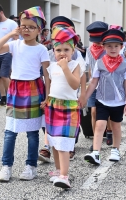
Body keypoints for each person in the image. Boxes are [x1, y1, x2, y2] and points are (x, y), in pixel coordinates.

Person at [0, 6, 50, 182]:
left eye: (31, 27)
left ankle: (31, 166)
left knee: (32, 132)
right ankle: (6, 166)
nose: (27, 30)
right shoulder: (14, 45)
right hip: (15, 90)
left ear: (39, 30)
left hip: (34, 89)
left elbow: (47, 75)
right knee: (10, 131)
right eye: (23, 26)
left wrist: (47, 97)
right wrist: (10, 34)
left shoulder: (41, 49)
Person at [38, 16, 86, 162]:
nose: (62, 52)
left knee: (68, 124)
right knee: (50, 122)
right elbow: (48, 78)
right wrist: (46, 97)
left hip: (70, 96)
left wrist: (83, 93)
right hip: (54, 96)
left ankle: (68, 148)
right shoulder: (51, 52)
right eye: (55, 28)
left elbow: (82, 75)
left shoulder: (74, 54)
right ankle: (48, 146)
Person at [84, 29, 126, 165]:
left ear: (121, 47)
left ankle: (115, 150)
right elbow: (93, 82)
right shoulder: (99, 63)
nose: (113, 48)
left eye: (116, 46)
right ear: (104, 47)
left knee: (116, 126)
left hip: (118, 102)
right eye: (109, 46)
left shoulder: (125, 65)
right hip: (102, 99)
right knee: (100, 125)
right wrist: (85, 97)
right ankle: (96, 152)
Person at [44, 26, 81, 189]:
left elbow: (74, 85)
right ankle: (58, 170)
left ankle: (64, 176)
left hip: (68, 108)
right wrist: (46, 99)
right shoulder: (51, 67)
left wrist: (65, 68)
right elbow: (50, 85)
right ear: (53, 51)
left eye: (66, 49)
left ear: (73, 50)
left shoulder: (74, 65)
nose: (62, 53)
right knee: (54, 141)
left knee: (64, 143)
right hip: (53, 106)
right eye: (58, 50)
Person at [85, 21, 109, 150]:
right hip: (94, 84)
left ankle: (109, 131)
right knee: (93, 111)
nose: (98, 42)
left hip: (106, 84)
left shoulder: (109, 48)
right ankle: (95, 139)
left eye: (99, 40)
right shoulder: (89, 50)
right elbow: (89, 67)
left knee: (107, 112)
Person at [0, 4, 18, 105]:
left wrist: (14, 53)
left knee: (4, 75)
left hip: (7, 53)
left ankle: (12, 96)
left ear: (1, 12)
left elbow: (16, 39)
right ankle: (3, 97)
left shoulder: (12, 24)